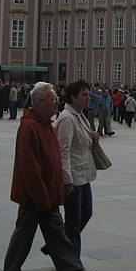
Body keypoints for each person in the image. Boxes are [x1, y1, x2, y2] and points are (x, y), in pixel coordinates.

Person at [2, 82, 96, 271]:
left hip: (47, 192)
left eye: (56, 99)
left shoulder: (44, 124)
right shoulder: (30, 127)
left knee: (50, 233)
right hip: (35, 194)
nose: (56, 103)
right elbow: (30, 168)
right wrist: (43, 197)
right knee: (26, 234)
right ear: (39, 102)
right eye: (52, 100)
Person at [39, 79, 98, 259]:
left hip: (83, 174)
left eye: (88, 94)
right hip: (72, 177)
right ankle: (73, 263)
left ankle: (54, 244)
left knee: (86, 213)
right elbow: (62, 152)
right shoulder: (67, 118)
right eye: (84, 95)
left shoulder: (80, 115)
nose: (88, 98)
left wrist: (92, 137)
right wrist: (66, 179)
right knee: (73, 222)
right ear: (73, 97)